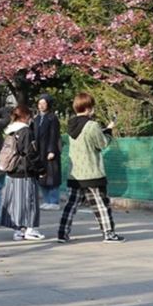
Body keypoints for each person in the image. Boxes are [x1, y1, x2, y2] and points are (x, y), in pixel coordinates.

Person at [58, 93, 125, 244]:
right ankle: (109, 233)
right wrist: (108, 131)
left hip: (75, 173)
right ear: (88, 108)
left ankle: (62, 233)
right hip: (92, 171)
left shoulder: (70, 125)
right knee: (101, 204)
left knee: (71, 204)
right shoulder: (92, 125)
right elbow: (102, 144)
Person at [0, 105, 47, 242]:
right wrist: (41, 169)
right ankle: (31, 229)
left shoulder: (10, 130)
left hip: (11, 171)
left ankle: (18, 230)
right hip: (25, 172)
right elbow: (30, 153)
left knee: (15, 203)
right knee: (30, 202)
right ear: (26, 116)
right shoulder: (25, 131)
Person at [33, 94, 62, 210]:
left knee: (52, 175)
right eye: (39, 103)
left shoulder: (52, 118)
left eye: (44, 103)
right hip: (39, 151)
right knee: (42, 175)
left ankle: (54, 201)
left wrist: (52, 150)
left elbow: (54, 135)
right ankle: (46, 200)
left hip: (49, 150)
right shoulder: (36, 118)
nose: (41, 106)